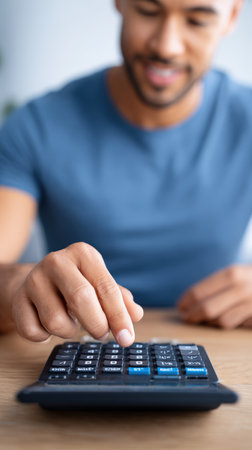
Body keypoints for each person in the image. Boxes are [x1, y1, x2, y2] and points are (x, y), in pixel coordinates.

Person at [0, 0, 251, 347]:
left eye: (197, 20)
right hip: (81, 350)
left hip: (225, 353)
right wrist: (18, 287)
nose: (166, 46)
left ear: (232, 17)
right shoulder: (34, 126)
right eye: (148, 11)